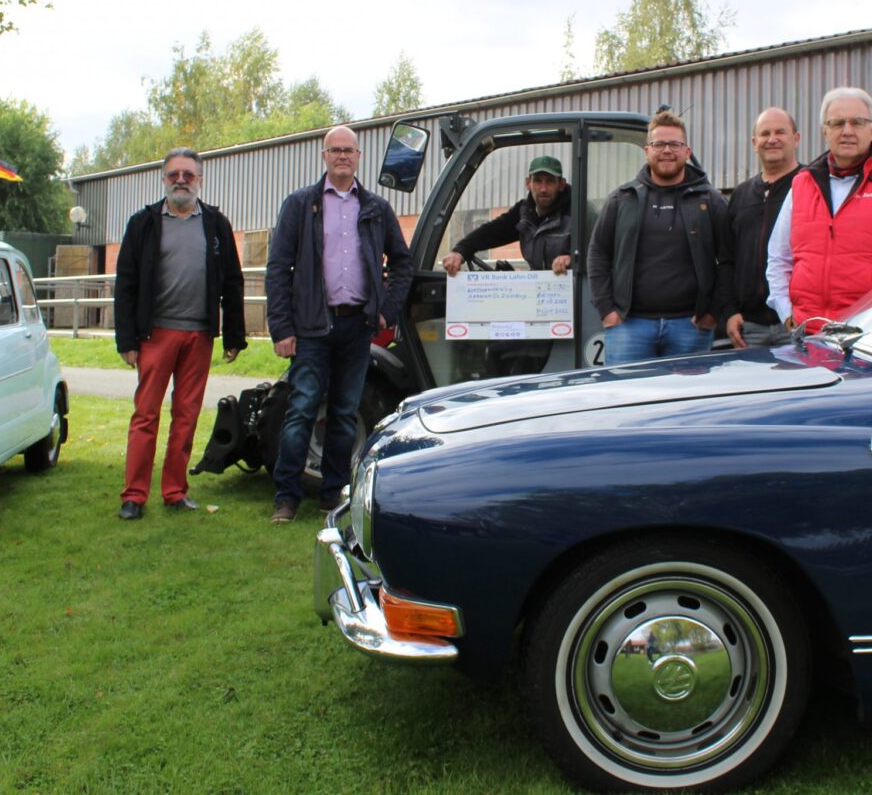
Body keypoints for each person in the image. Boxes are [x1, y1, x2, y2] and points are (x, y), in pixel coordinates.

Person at [266, 126, 413, 523]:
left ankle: (332, 493)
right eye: (335, 150)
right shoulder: (301, 204)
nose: (342, 156)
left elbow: (402, 262)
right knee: (301, 410)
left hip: (357, 326)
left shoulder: (376, 208)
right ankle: (286, 498)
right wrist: (282, 328)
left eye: (349, 150)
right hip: (311, 326)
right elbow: (278, 268)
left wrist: (387, 309)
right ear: (325, 156)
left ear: (358, 156)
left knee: (345, 414)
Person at [114, 147, 246, 520]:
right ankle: (134, 496)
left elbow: (232, 281)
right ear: (164, 179)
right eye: (174, 174)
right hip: (154, 335)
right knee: (146, 415)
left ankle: (174, 491)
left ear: (199, 179)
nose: (181, 180)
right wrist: (127, 340)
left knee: (186, 415)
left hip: (199, 334)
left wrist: (233, 335)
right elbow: (125, 284)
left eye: (188, 174)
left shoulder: (216, 224)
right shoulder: (143, 223)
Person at [766, 87, 872, 333]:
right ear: (825, 131)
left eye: (857, 122)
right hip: (809, 335)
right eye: (837, 123)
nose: (847, 131)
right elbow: (778, 258)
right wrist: (786, 313)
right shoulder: (801, 185)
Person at [587, 110, 730, 365]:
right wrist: (607, 311)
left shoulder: (709, 200)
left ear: (687, 151)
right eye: (659, 144)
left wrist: (712, 313)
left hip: (691, 328)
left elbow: (729, 259)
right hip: (629, 327)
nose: (666, 150)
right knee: (628, 391)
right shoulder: (622, 199)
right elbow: (598, 253)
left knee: (688, 394)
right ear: (647, 151)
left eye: (674, 144)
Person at [722, 107, 803, 348]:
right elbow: (726, 260)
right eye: (765, 134)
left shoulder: (811, 186)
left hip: (797, 323)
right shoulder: (741, 195)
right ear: (754, 142)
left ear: (796, 138)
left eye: (780, 132)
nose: (772, 139)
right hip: (749, 328)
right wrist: (730, 311)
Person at [440, 154, 573, 276]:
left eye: (550, 181)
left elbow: (586, 252)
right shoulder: (524, 212)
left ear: (561, 185)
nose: (543, 189)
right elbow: (491, 232)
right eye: (538, 181)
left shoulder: (576, 211)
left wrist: (572, 259)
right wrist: (459, 252)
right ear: (528, 184)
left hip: (571, 288)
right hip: (540, 288)